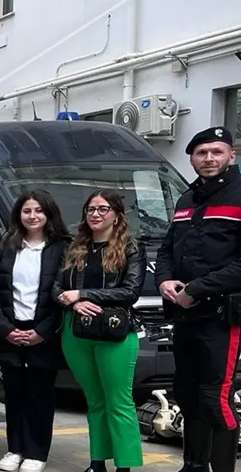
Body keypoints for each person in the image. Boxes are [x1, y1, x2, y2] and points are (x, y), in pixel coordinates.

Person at [155, 126, 241, 472]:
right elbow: (166, 247)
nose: (209, 159)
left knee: (215, 396)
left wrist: (195, 289)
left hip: (220, 316)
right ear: (191, 158)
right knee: (188, 394)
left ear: (231, 156)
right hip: (185, 315)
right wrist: (164, 281)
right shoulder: (187, 199)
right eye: (201, 153)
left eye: (216, 152)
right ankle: (193, 466)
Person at [54, 190, 145, 472]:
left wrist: (82, 294)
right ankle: (97, 463)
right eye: (90, 209)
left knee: (118, 402)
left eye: (103, 209)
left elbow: (130, 291)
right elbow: (57, 288)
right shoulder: (74, 247)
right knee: (94, 401)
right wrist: (72, 301)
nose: (95, 214)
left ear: (117, 215)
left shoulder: (131, 247)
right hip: (76, 332)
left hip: (115, 333)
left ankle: (125, 466)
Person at [0, 190, 70, 472]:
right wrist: (5, 329)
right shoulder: (4, 246)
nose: (33, 216)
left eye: (38, 211)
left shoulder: (63, 248)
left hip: (43, 333)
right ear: (18, 215)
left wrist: (43, 331)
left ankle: (37, 453)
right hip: (10, 330)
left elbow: (64, 294)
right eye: (27, 211)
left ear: (49, 214)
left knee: (40, 396)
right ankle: (15, 449)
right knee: (14, 394)